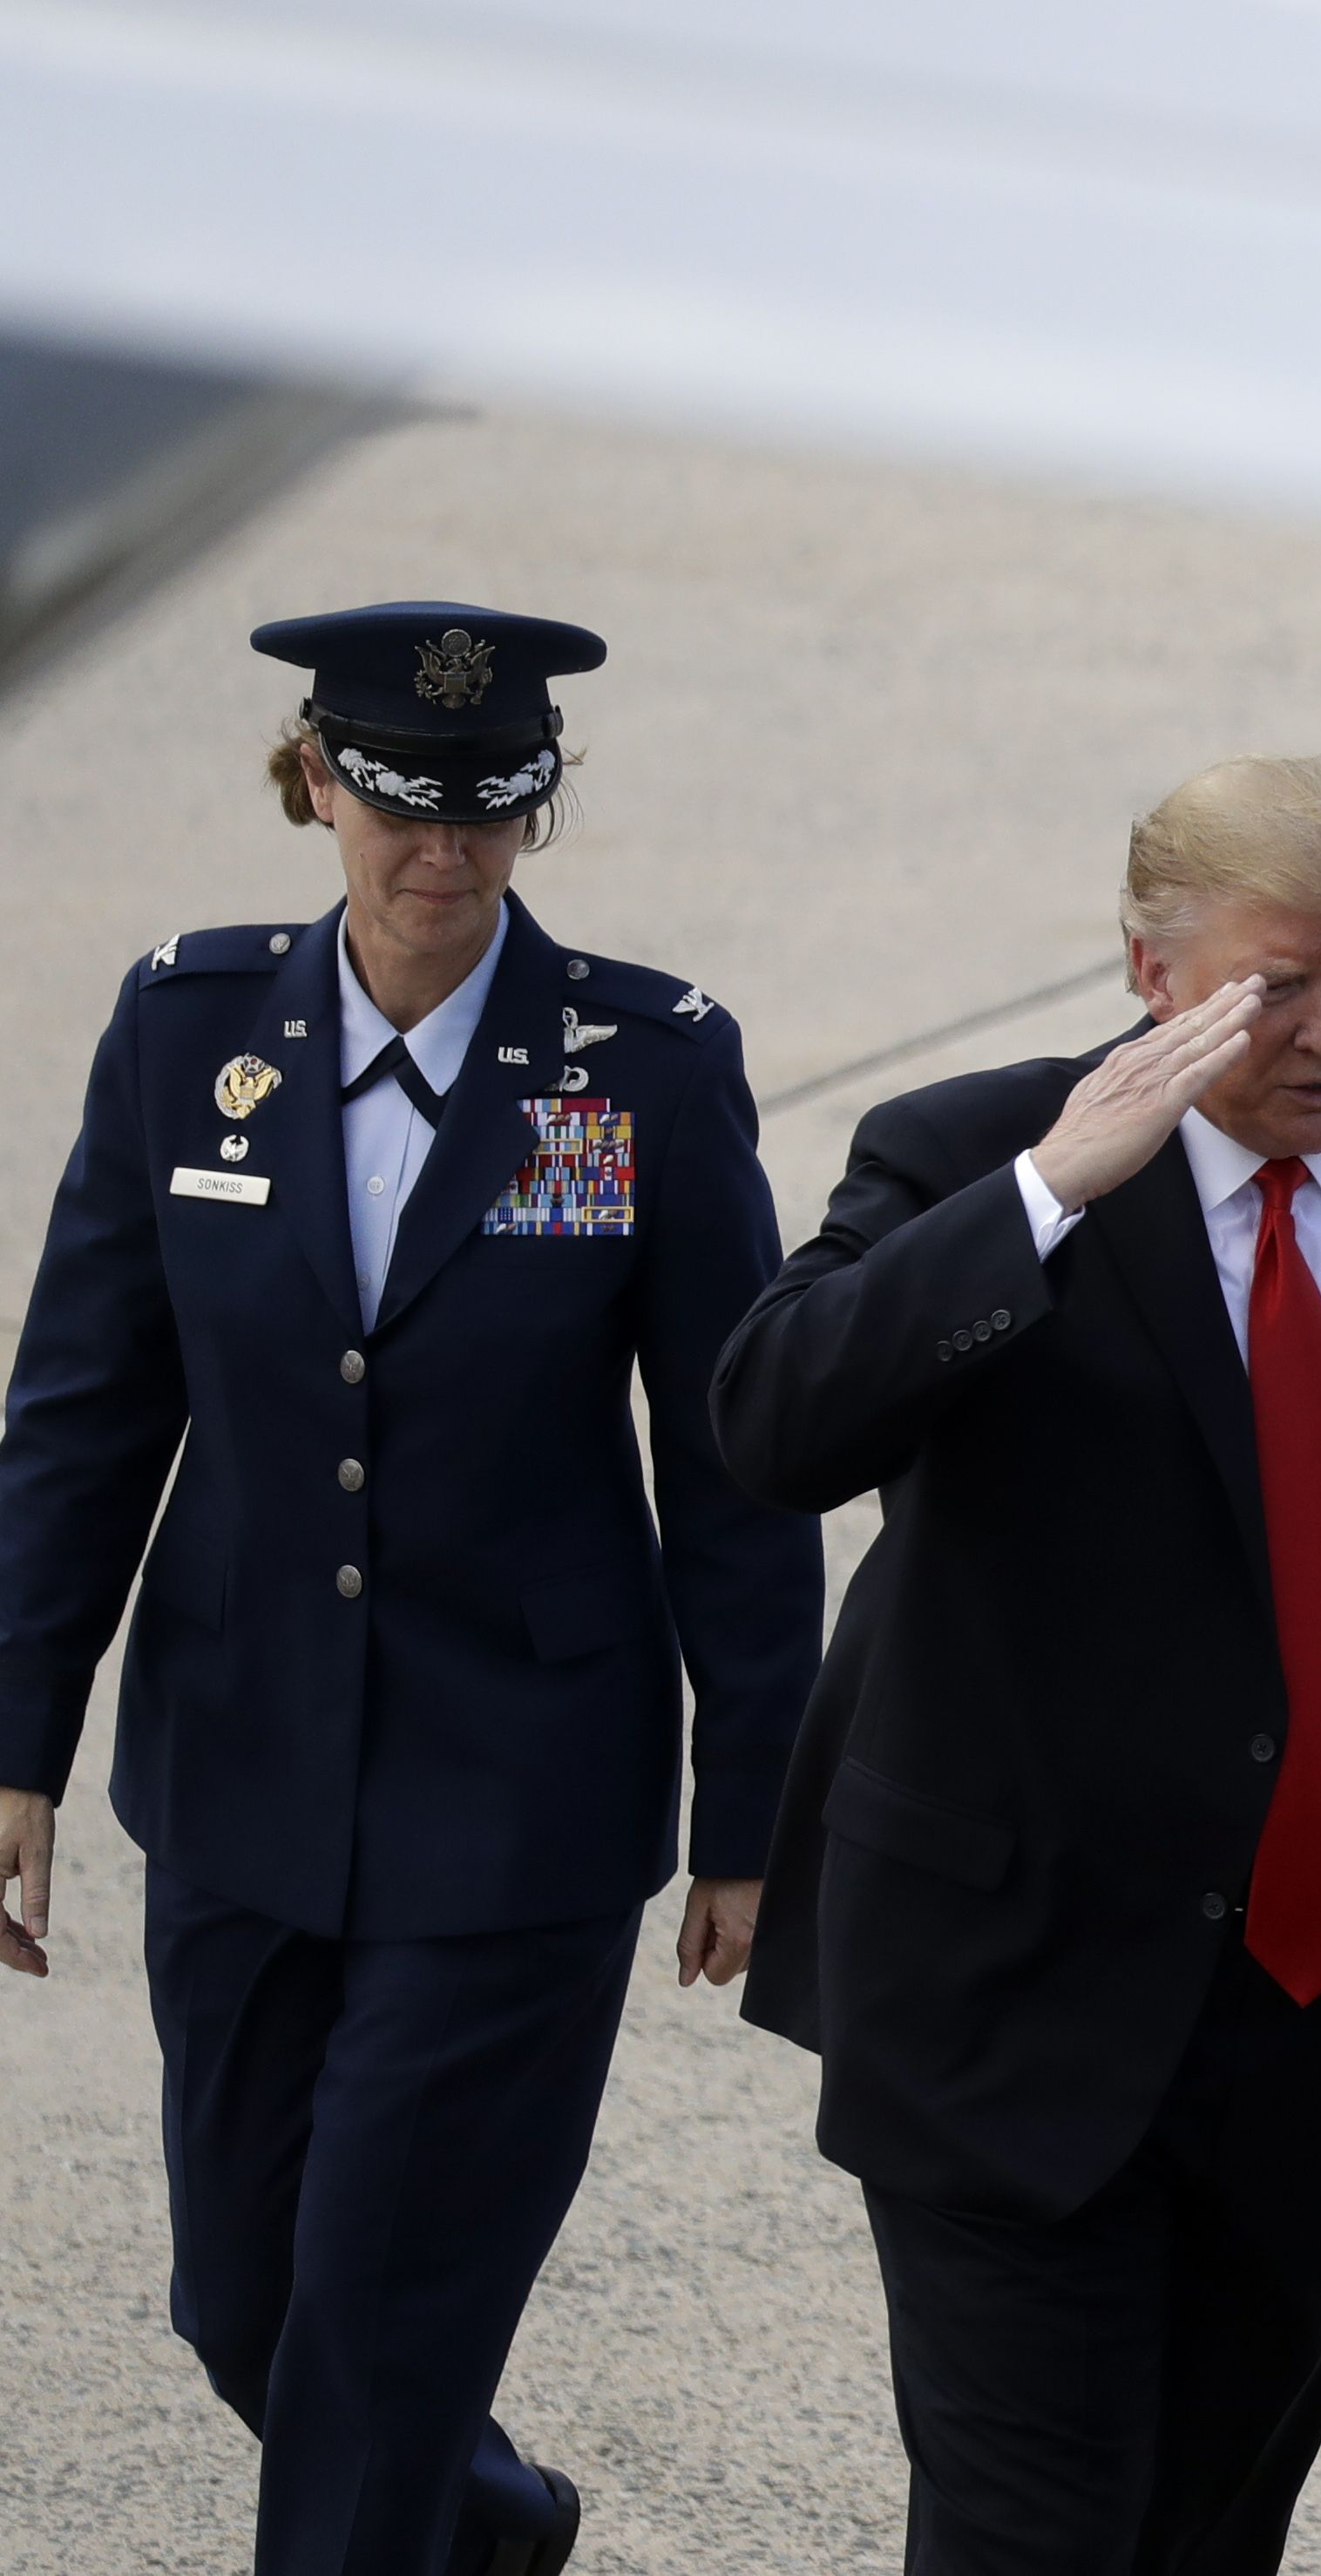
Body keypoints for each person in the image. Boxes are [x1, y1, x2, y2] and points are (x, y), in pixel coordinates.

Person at [711, 755, 1321, 2574]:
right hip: (1020, 1978)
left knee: (1213, 2526)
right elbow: (773, 1423)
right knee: (1027, 2534)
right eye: (1272, 982)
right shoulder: (974, 1154)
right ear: (1154, 974)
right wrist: (1053, 1191)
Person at [0, 601, 824, 2576]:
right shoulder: (186, 1030)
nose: (440, 847)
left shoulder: (641, 1061)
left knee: (380, 2325)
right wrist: (14, 1737)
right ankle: (489, 2523)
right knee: (246, 2308)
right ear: (313, 784)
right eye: (397, 799)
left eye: (489, 806)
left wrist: (751, 1805)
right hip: (238, 1772)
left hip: (524, 1793)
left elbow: (732, 1455)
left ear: (540, 813)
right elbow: (84, 1409)